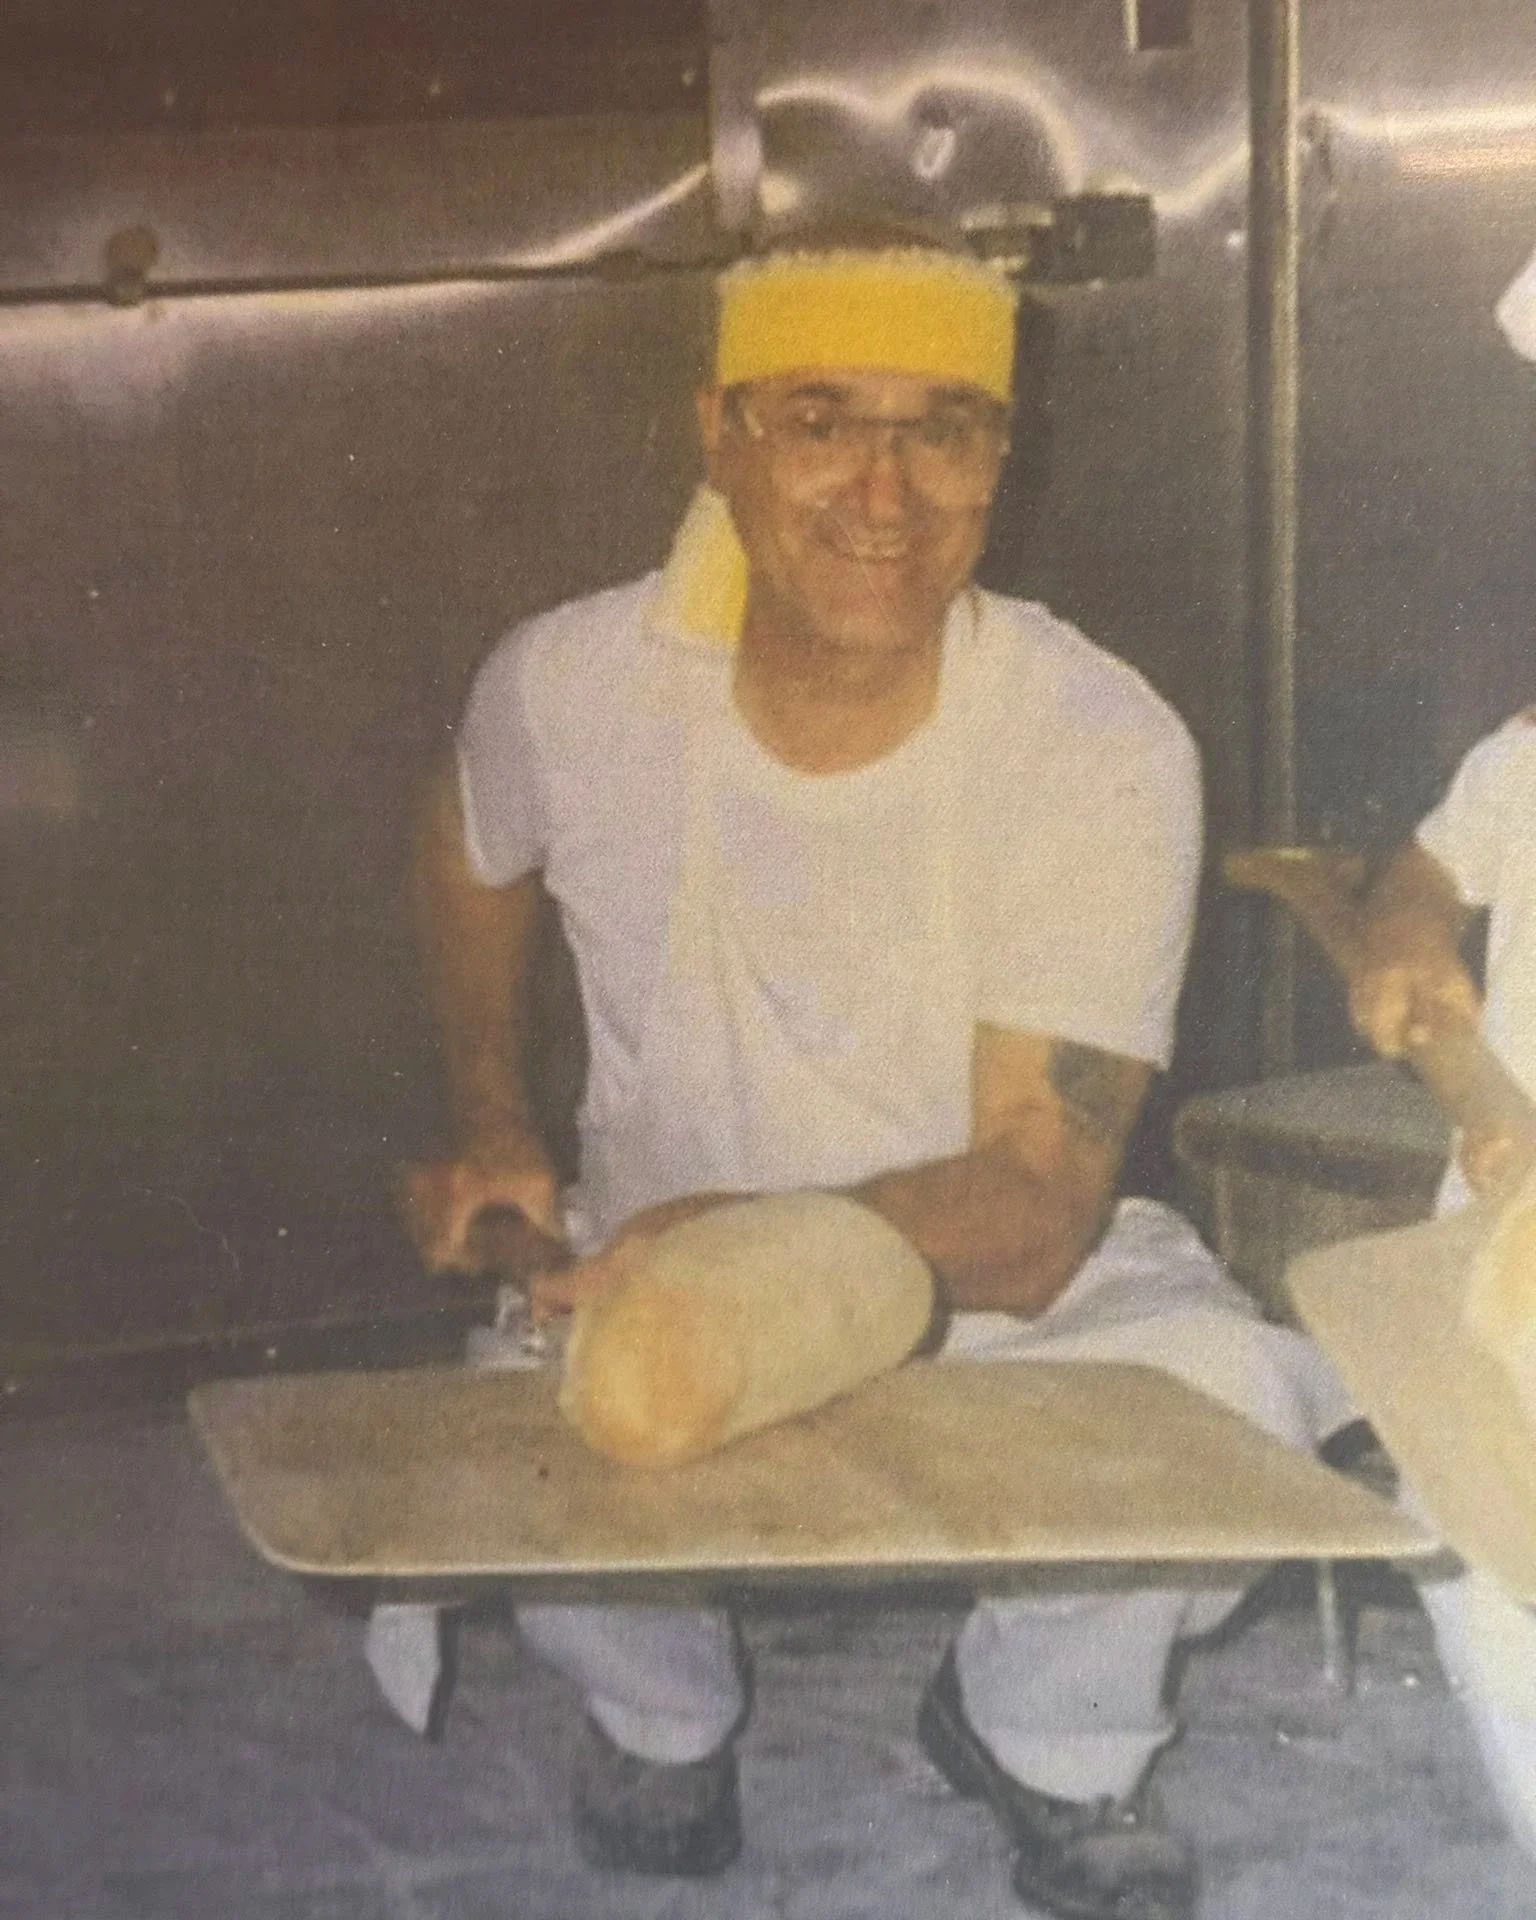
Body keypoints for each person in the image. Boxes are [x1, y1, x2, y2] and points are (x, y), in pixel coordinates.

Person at [406, 229, 1348, 1920]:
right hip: (649, 1281)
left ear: (1005, 453)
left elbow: (1044, 1202)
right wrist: (491, 1109)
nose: (886, 489)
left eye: (949, 426)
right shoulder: (574, 681)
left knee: (1226, 1402)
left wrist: (736, 1230)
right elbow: (475, 847)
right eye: (822, 417)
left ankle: (1047, 1738)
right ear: (720, 431)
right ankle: (660, 1718)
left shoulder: (1093, 739)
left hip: (1003, 1289)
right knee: (508, 1441)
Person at [1346, 236, 1536, 1863]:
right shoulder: (1531, 748)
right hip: (1503, 1272)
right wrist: (1409, 929)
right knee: (1488, 1566)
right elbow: (1430, 861)